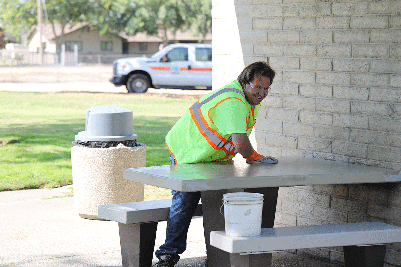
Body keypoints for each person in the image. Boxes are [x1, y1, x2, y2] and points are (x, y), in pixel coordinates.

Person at [155, 61, 278, 267]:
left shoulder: (248, 99)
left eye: (266, 88)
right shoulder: (233, 101)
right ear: (245, 82)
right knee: (185, 200)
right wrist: (256, 158)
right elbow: (240, 143)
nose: (262, 93)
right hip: (188, 153)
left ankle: (217, 256)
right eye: (258, 87)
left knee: (221, 202)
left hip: (213, 158)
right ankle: (168, 255)